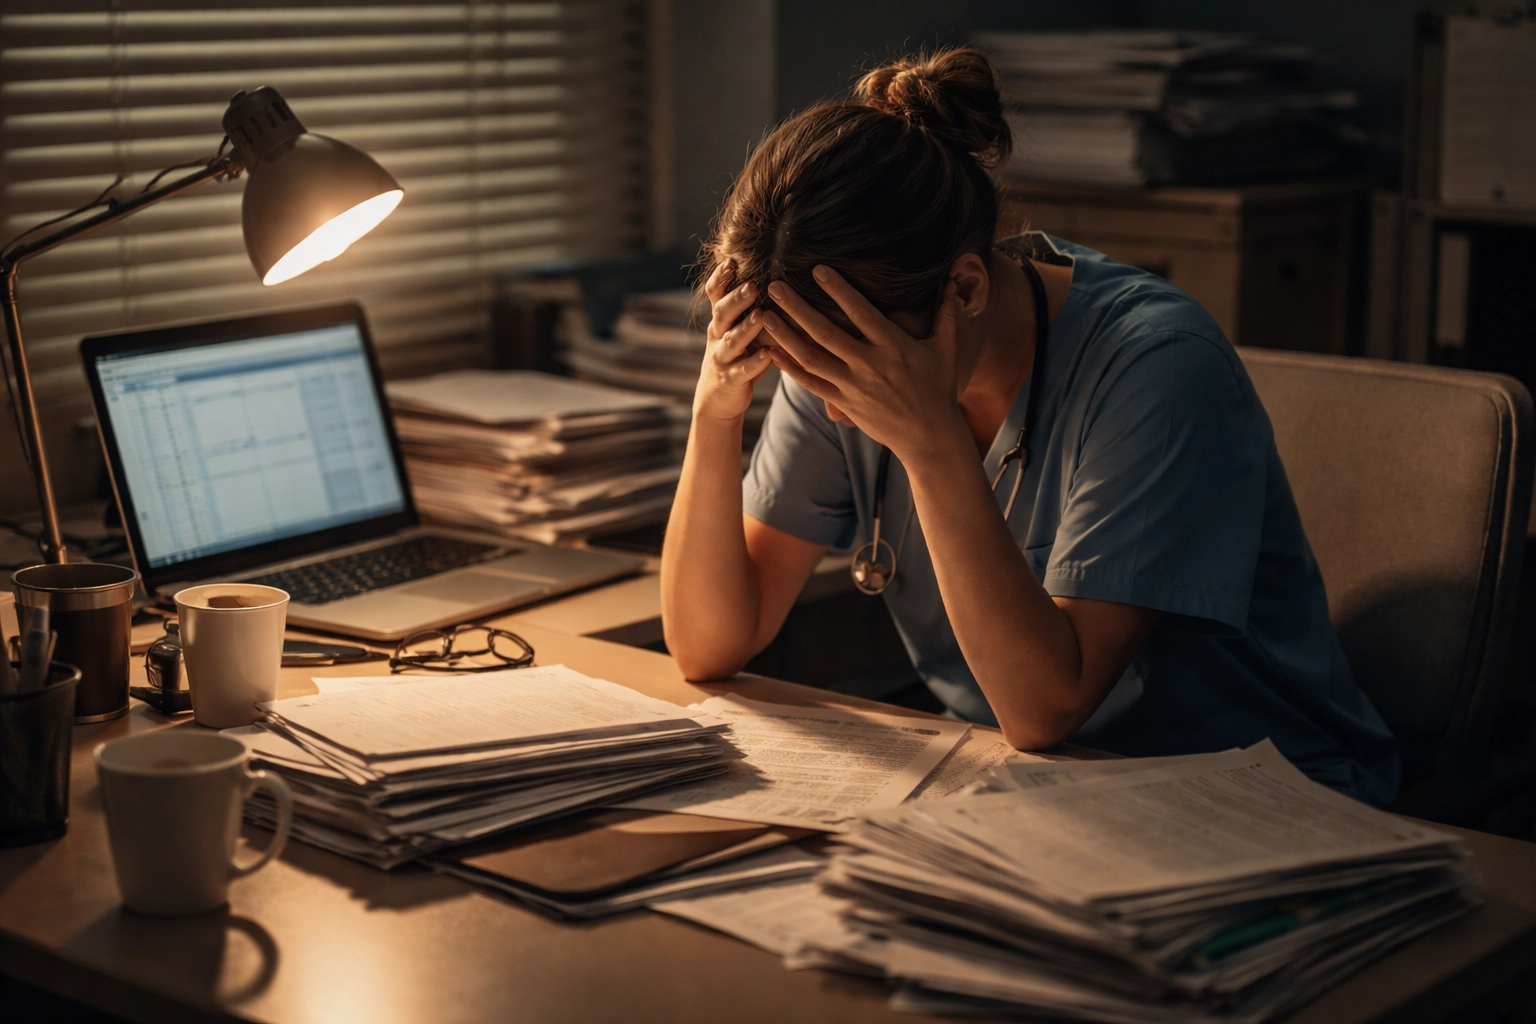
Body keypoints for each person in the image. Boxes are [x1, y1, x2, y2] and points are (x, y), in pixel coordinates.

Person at [660, 48, 1399, 805]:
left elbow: (1047, 706)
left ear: (967, 287)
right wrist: (716, 410)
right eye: (802, 372)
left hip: (1250, 796)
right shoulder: (841, 353)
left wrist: (931, 444)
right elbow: (708, 644)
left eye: (847, 375)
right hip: (1022, 789)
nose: (833, 408)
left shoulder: (1156, 367)